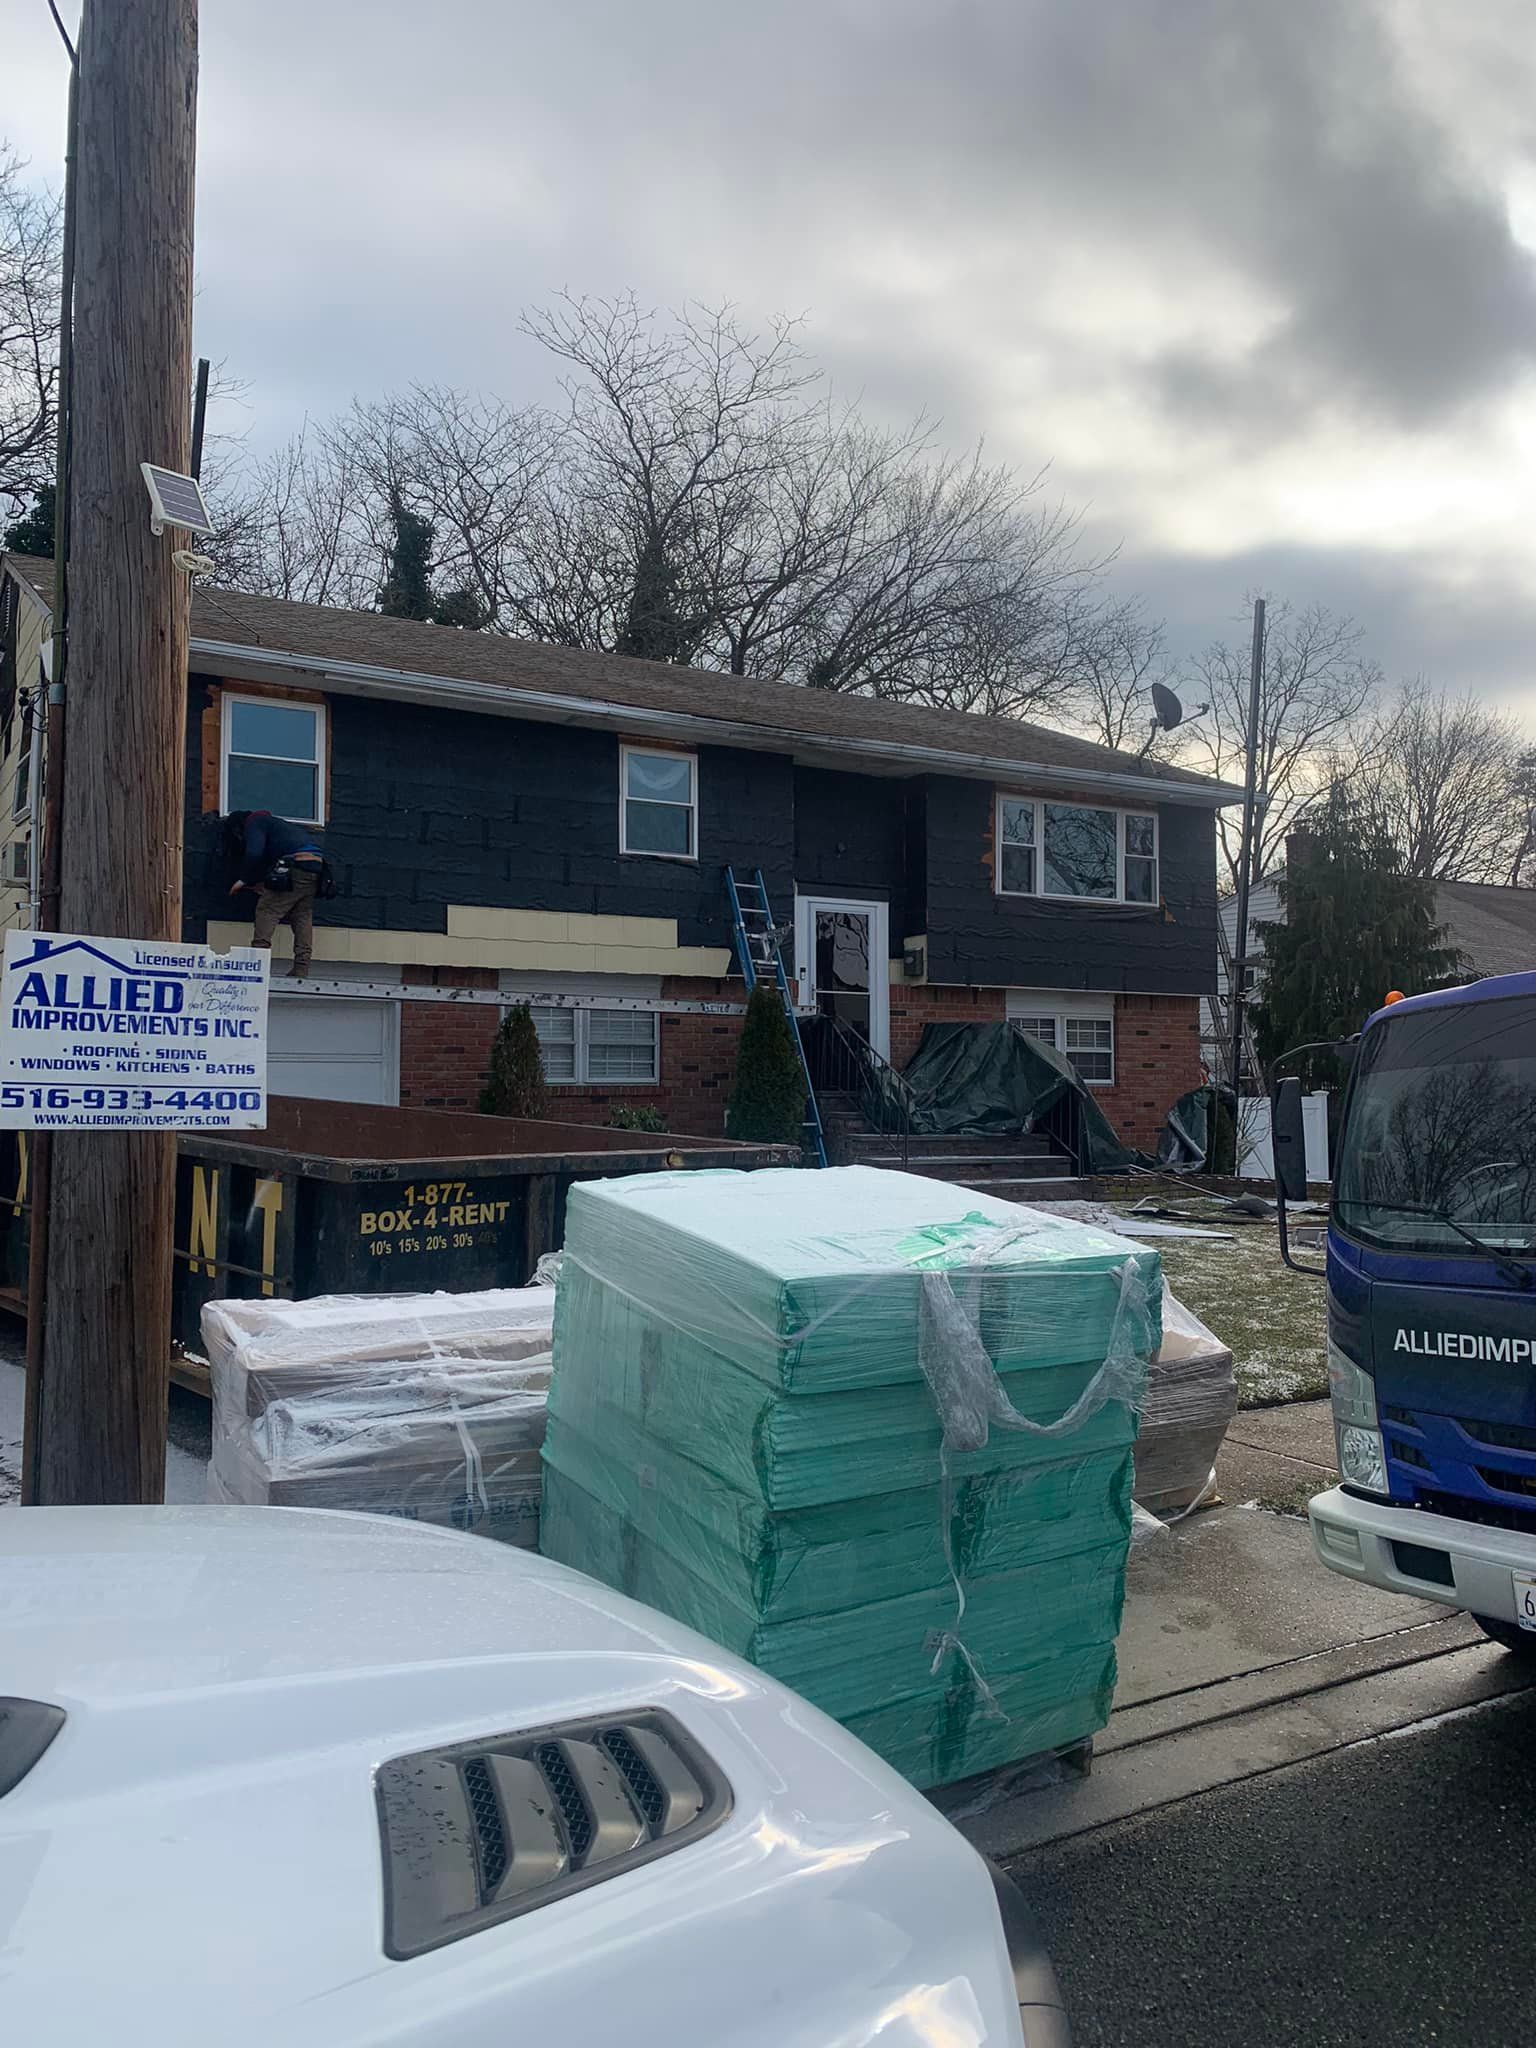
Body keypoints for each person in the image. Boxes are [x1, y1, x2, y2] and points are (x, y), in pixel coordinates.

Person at [224, 810, 326, 978]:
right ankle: (301, 968)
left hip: (296, 864)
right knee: (302, 915)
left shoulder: (255, 822)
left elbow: (254, 853)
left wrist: (243, 880)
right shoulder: (277, 826)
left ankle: (258, 964)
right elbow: (275, 857)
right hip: (316, 865)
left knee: (267, 910)